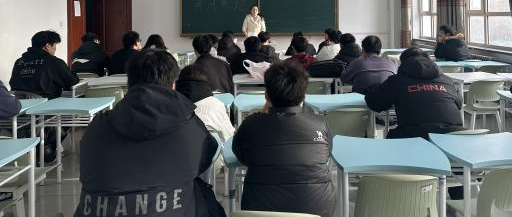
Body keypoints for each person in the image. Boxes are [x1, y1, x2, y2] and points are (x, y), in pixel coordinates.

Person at [75, 49, 218, 217]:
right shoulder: (187, 124)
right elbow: (205, 158)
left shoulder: (97, 126)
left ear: (129, 82)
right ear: (173, 84)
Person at [232, 62, 335, 217]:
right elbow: (326, 154)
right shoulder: (320, 123)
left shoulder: (251, 124)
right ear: (304, 95)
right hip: (317, 210)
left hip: (259, 211)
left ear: (266, 95)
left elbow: (240, 155)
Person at [365, 47, 463, 139]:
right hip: (453, 136)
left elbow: (375, 103)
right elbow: (459, 104)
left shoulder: (397, 81)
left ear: (403, 63)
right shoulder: (448, 81)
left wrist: (373, 88)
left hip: (414, 136)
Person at [176, 64, 235, 170]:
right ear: (206, 83)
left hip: (177, 162)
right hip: (211, 163)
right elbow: (229, 138)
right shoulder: (216, 104)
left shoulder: (172, 104)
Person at [9, 30, 79, 98]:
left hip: (19, 103)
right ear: (47, 46)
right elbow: (71, 82)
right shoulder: (54, 62)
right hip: (46, 103)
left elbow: (12, 84)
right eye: (54, 46)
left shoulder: (19, 62)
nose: (55, 49)